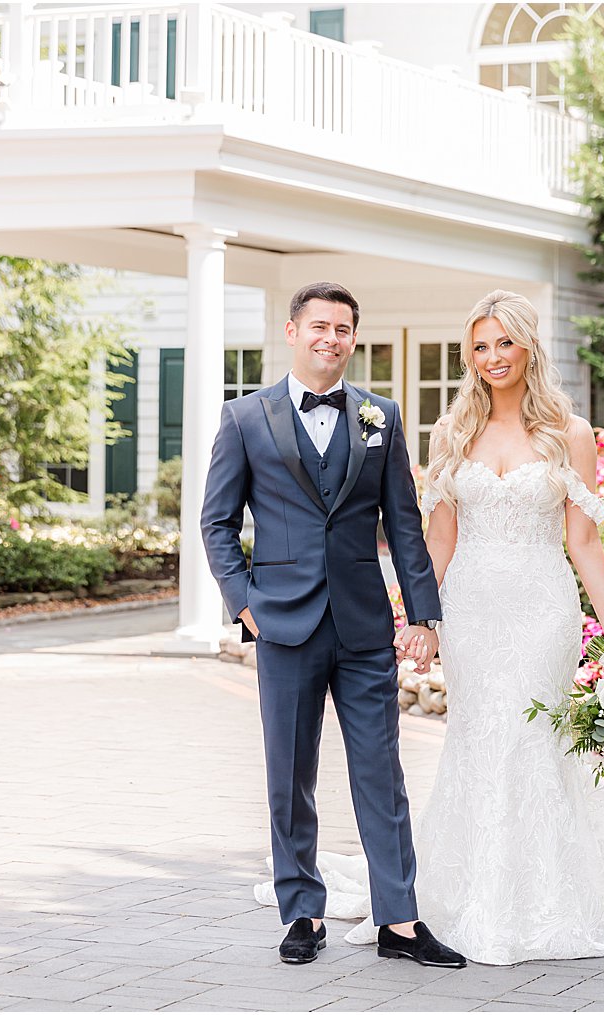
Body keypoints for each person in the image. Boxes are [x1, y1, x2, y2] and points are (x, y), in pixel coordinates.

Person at [282, 289, 604, 965]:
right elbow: (437, 540)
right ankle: (465, 892)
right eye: (480, 346)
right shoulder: (450, 433)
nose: (493, 358)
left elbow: (585, 542)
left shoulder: (570, 433)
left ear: (528, 346)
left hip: (544, 608)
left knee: (533, 741)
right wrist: (419, 618)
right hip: (471, 612)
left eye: (505, 343)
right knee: (480, 739)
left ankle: (547, 896)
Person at [201, 281, 466, 969]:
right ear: (292, 332)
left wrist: (424, 615)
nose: (331, 338)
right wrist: (243, 601)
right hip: (283, 623)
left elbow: (405, 525)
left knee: (381, 771)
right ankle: (301, 911)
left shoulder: (381, 416)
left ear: (353, 338)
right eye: (319, 325)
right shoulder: (245, 418)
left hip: (361, 625)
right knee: (290, 775)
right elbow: (217, 522)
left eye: (344, 328)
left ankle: (400, 921)